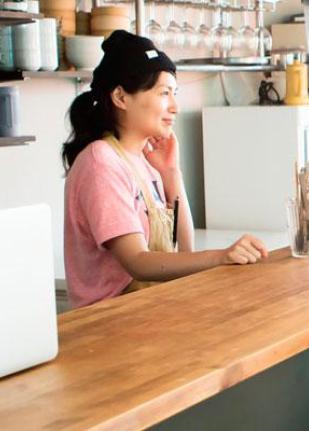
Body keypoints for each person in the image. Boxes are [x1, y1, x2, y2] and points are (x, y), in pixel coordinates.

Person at [63, 31, 268, 308]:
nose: (175, 106)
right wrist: (221, 256)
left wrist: (172, 174)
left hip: (145, 313)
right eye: (164, 93)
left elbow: (185, 247)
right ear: (121, 97)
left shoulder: (145, 164)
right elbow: (139, 263)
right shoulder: (101, 162)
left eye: (175, 93)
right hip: (109, 326)